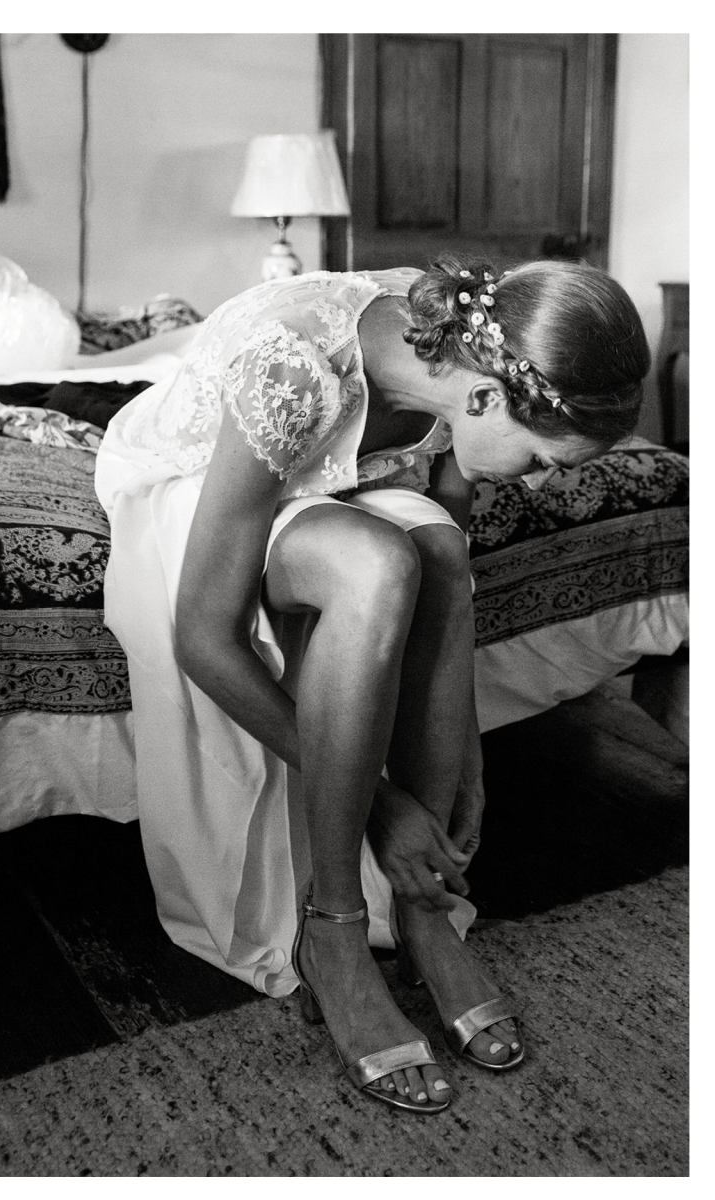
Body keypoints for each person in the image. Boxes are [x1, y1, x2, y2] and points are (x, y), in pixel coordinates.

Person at [94, 258, 647, 1113]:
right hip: (198, 488)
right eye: (541, 458)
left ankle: (425, 908)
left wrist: (464, 757)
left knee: (428, 551)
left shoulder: (470, 362)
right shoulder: (293, 369)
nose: (536, 484)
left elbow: (446, 586)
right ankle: (336, 925)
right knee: (375, 563)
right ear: (485, 399)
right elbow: (203, 637)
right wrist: (384, 805)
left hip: (332, 479)